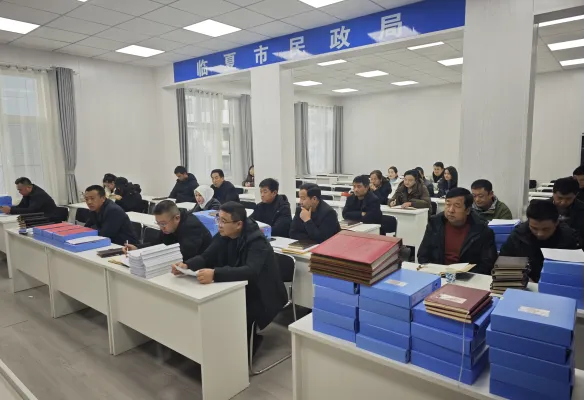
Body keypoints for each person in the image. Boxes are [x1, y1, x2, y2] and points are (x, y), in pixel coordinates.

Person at [173, 202, 288, 354]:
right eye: (218, 219)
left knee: (234, 312)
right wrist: (187, 265)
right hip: (240, 286)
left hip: (263, 294)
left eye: (223, 221)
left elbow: (250, 271)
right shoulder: (224, 235)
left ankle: (241, 353)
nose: (219, 225)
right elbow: (207, 256)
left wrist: (215, 274)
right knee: (215, 306)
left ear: (238, 224)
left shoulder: (257, 241)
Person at [417, 188, 497, 275]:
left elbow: (487, 264)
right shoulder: (435, 223)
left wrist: (462, 275)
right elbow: (422, 255)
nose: (451, 210)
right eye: (448, 204)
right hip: (437, 274)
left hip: (467, 278)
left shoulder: (482, 230)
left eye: (457, 206)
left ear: (467, 210)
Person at [500, 200, 582, 282]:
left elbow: (576, 270)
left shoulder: (568, 237)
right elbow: (503, 262)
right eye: (534, 228)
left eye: (546, 229)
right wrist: (519, 276)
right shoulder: (518, 235)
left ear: (556, 222)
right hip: (525, 283)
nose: (540, 234)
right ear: (528, 222)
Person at [125, 201, 212, 261]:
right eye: (158, 223)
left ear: (177, 218)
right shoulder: (168, 226)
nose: (161, 227)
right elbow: (158, 244)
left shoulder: (191, 227)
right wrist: (137, 248)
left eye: (163, 224)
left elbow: (185, 256)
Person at [550, 177, 584, 245]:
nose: (563, 202)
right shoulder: (540, 207)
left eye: (568, 198)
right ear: (553, 193)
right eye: (559, 198)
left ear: (576, 195)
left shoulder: (582, 209)